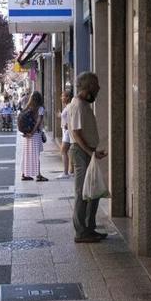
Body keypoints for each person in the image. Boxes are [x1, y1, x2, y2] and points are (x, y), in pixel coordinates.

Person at [67, 72, 107, 243]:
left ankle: (90, 228)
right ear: (89, 86)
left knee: (93, 191)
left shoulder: (83, 104)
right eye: (96, 84)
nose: (98, 88)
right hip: (81, 152)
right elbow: (76, 134)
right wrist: (90, 153)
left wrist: (93, 151)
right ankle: (81, 232)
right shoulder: (77, 105)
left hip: (88, 152)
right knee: (83, 192)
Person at [19, 91, 47, 181]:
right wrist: (33, 132)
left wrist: (28, 132)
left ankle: (24, 174)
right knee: (36, 155)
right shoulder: (40, 108)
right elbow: (38, 122)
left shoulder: (27, 107)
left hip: (26, 135)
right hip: (34, 134)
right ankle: (38, 175)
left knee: (26, 154)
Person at [58, 91, 73, 177]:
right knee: (67, 151)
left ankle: (65, 172)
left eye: (63, 96)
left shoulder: (69, 106)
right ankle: (70, 170)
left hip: (68, 131)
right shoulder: (67, 106)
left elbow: (71, 117)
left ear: (67, 97)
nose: (61, 98)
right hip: (65, 131)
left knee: (63, 150)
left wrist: (68, 124)